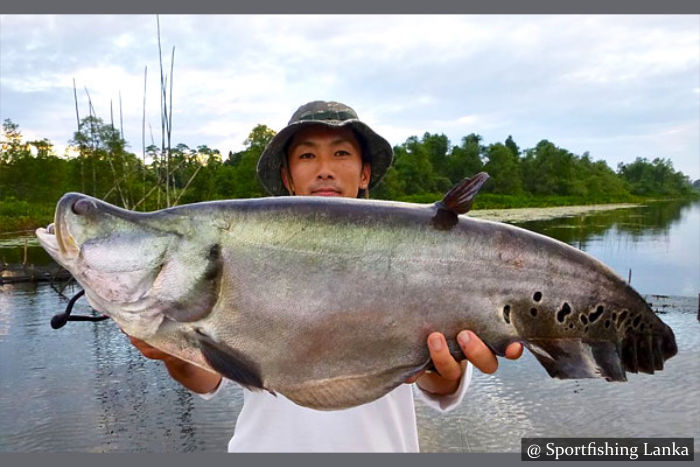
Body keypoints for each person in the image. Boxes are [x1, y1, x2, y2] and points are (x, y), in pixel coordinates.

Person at [127, 100, 523, 452]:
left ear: (365, 173)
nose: (325, 170)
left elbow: (440, 387)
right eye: (306, 157)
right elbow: (206, 379)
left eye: (341, 153)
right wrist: (169, 351)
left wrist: (441, 367)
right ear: (287, 176)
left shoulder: (417, 257)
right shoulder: (245, 255)